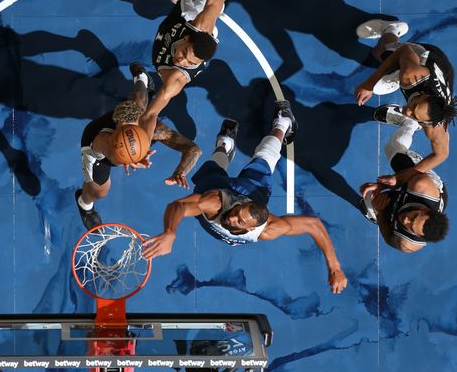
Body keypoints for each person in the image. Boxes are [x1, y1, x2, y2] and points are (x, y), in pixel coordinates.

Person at [142, 101, 348, 294]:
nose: (232, 218)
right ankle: (282, 122)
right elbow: (178, 206)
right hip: (232, 189)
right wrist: (170, 233)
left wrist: (334, 267)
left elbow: (314, 225)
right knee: (262, 160)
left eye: (239, 220)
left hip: (250, 195)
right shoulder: (214, 203)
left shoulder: (268, 229)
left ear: (251, 228)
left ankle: (226, 144)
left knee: (220, 165)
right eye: (236, 212)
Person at [76, 64, 202, 229]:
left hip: (131, 127)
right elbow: (113, 155)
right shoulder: (103, 142)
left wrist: (181, 172)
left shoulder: (148, 123)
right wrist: (130, 157)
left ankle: (142, 78)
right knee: (100, 192)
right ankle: (84, 205)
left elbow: (194, 150)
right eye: (123, 124)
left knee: (141, 96)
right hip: (96, 150)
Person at [138, 0, 231, 138]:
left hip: (167, 46)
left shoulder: (176, 79)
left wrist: (142, 145)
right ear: (188, 38)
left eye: (189, 62)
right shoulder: (201, 25)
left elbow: (151, 114)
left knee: (170, 0)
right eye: (184, 54)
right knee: (189, 1)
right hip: (191, 17)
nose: (181, 61)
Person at [354, 19, 457, 183]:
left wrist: (403, 177)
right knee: (380, 52)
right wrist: (368, 84)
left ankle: (411, 120)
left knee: (382, 86)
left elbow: (442, 154)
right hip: (423, 55)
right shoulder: (412, 75)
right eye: (414, 105)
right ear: (426, 95)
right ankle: (391, 28)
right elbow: (403, 51)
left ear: (428, 122)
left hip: (438, 76)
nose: (407, 111)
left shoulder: (435, 126)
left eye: (415, 116)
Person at [359, 110, 449, 253]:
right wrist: (382, 185)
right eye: (414, 217)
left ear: (419, 235)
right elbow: (409, 175)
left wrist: (381, 213)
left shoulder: (408, 244)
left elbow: (389, 238)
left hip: (404, 201)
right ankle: (411, 124)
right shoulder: (422, 186)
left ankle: (376, 210)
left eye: (411, 225)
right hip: (417, 182)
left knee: (371, 200)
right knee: (392, 149)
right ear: (425, 210)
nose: (406, 219)